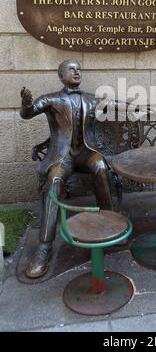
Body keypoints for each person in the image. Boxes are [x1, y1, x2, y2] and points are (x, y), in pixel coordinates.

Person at [20, 59, 113, 278]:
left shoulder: (91, 99)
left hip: (86, 152)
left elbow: (108, 113)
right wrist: (25, 105)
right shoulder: (51, 99)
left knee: (101, 166)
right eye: (72, 69)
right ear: (61, 75)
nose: (77, 71)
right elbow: (29, 113)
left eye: (79, 68)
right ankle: (44, 247)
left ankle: (111, 224)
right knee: (55, 180)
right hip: (62, 156)